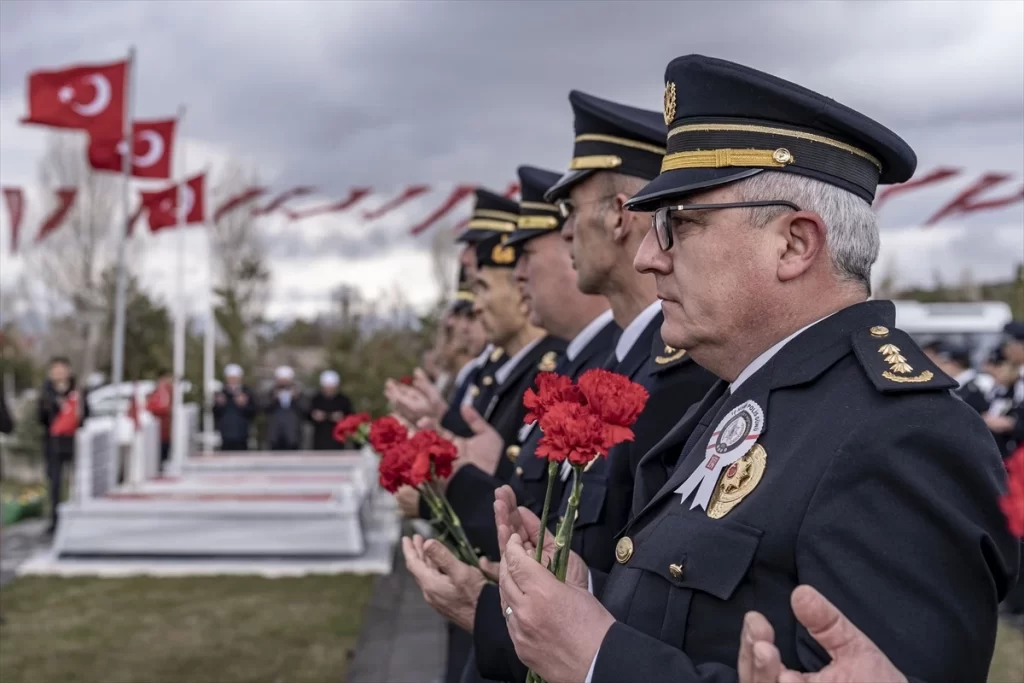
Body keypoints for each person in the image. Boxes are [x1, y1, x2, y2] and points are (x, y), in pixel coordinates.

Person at [496, 54, 1017, 683]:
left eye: (678, 224)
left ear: (795, 244)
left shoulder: (905, 437)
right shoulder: (744, 398)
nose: (646, 257)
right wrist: (591, 602)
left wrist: (598, 659)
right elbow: (699, 624)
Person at [36, 356, 87, 534]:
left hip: (73, 442)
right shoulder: (45, 392)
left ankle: (78, 517)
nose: (58, 373)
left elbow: (86, 415)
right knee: (55, 483)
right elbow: (40, 419)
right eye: (55, 370)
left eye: (61, 369)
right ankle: (55, 520)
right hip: (53, 444)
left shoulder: (77, 392)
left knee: (78, 481)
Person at [213, 364, 256, 451]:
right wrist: (219, 404)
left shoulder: (246, 391)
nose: (232, 380)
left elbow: (253, 412)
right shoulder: (221, 392)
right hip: (225, 434)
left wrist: (243, 405)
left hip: (242, 434)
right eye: (230, 378)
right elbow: (215, 413)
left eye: (235, 378)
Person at [307, 370, 354, 450]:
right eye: (327, 386)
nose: (329, 389)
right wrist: (314, 416)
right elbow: (307, 414)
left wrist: (341, 417)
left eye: (331, 387)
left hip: (337, 440)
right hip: (320, 438)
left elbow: (351, 415)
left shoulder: (343, 400)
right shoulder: (315, 399)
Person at [265, 365, 304, 451]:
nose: (284, 382)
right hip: (275, 436)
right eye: (282, 379)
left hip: (293, 436)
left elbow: (305, 411)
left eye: (286, 379)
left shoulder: (298, 393)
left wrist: (296, 399)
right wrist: (274, 398)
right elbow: (264, 409)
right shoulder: (271, 392)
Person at [145, 369, 174, 469]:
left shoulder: (166, 390)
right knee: (161, 451)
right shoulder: (162, 390)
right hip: (161, 429)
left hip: (165, 429)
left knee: (163, 451)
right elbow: (160, 406)